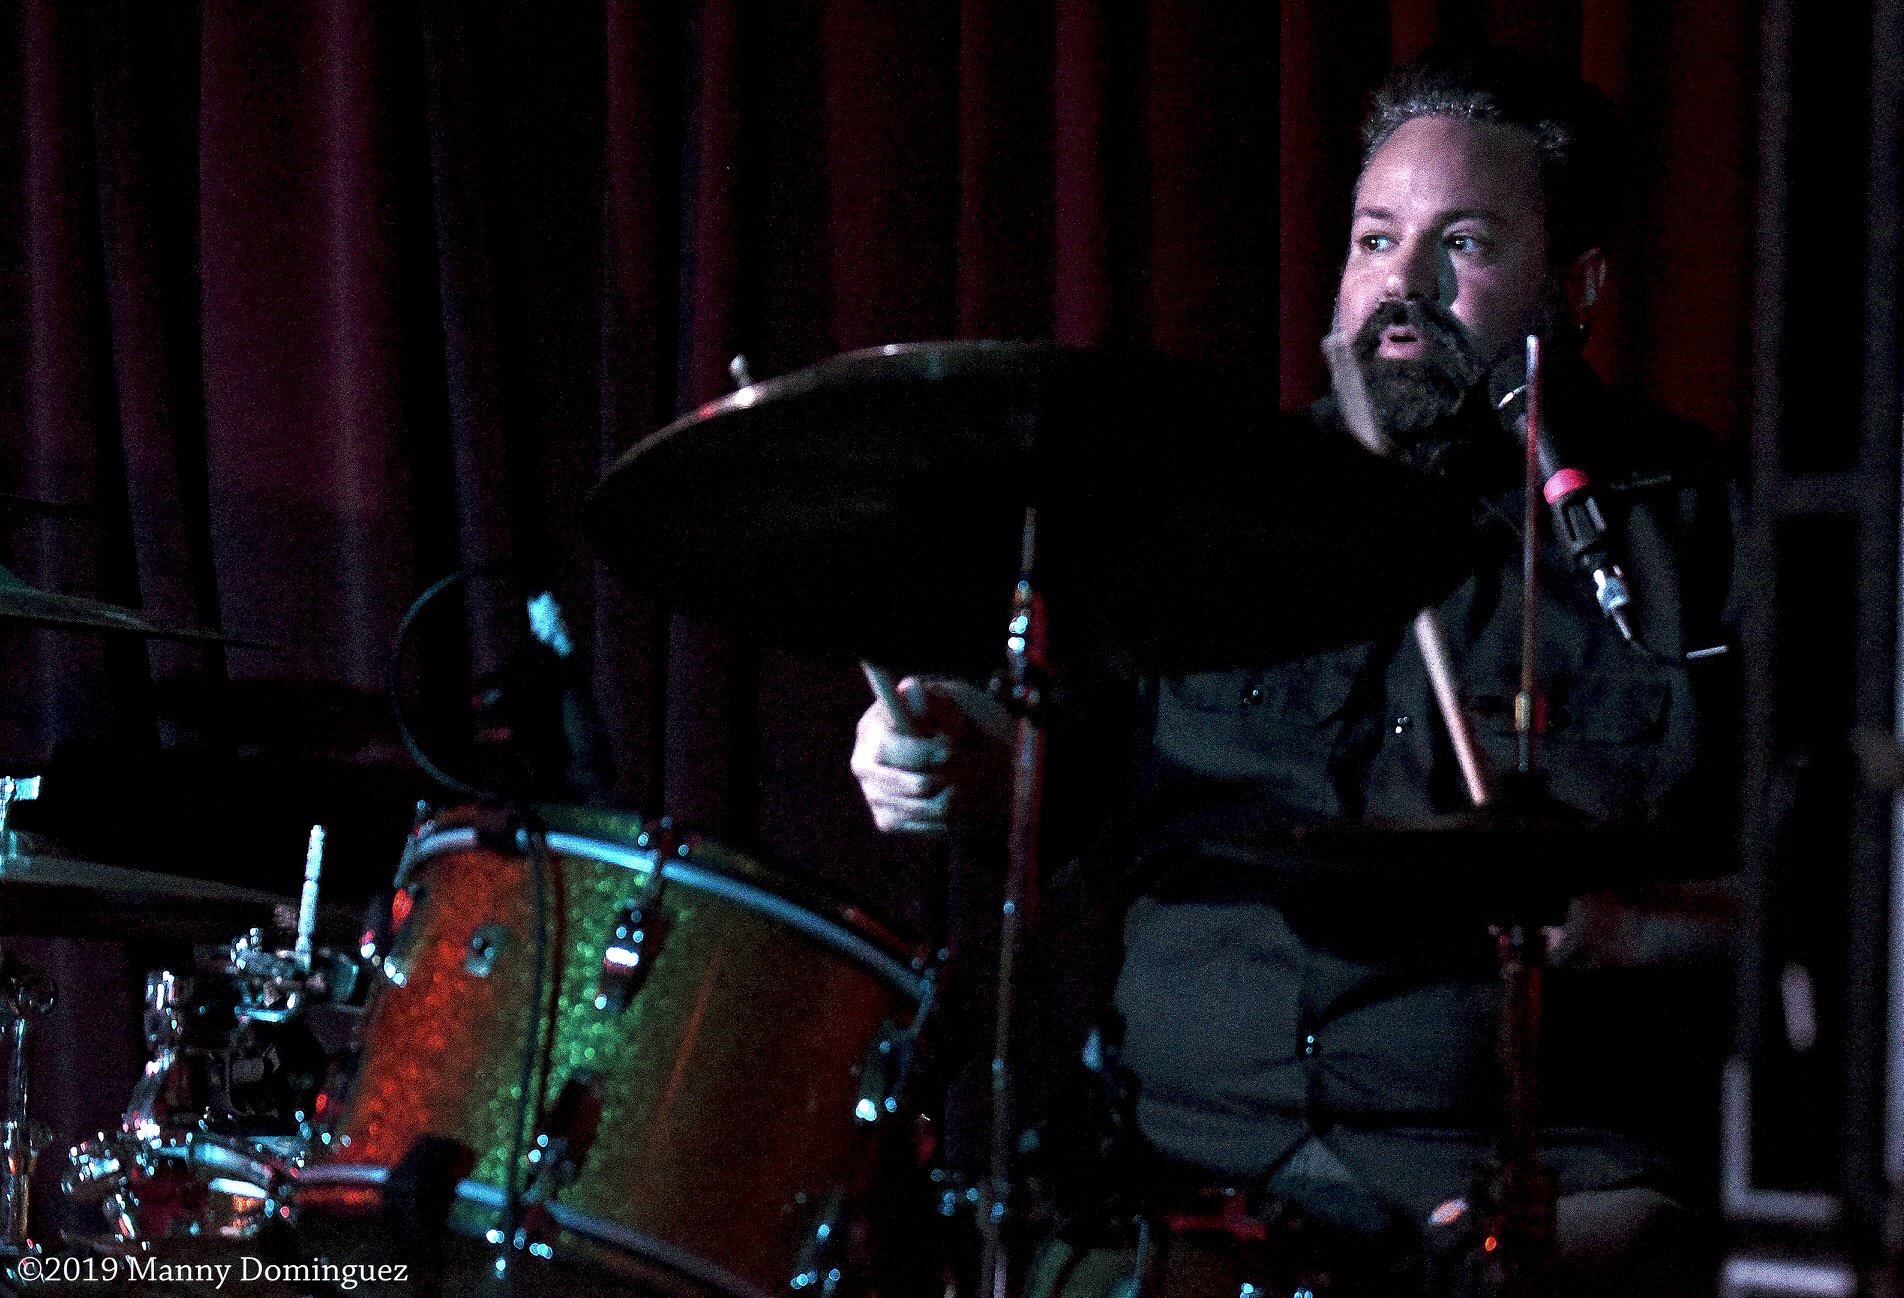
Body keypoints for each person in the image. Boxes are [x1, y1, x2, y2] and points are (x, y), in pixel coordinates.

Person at [852, 46, 1737, 1298]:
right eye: (1374, 240)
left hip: (1545, 1178)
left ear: (1576, 282)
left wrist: (1619, 925)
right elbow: (1056, 769)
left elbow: (1837, 914)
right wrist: (950, 753)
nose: (1401, 284)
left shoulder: (1703, 535)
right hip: (1184, 1165)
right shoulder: (1212, 508)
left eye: (1462, 244)